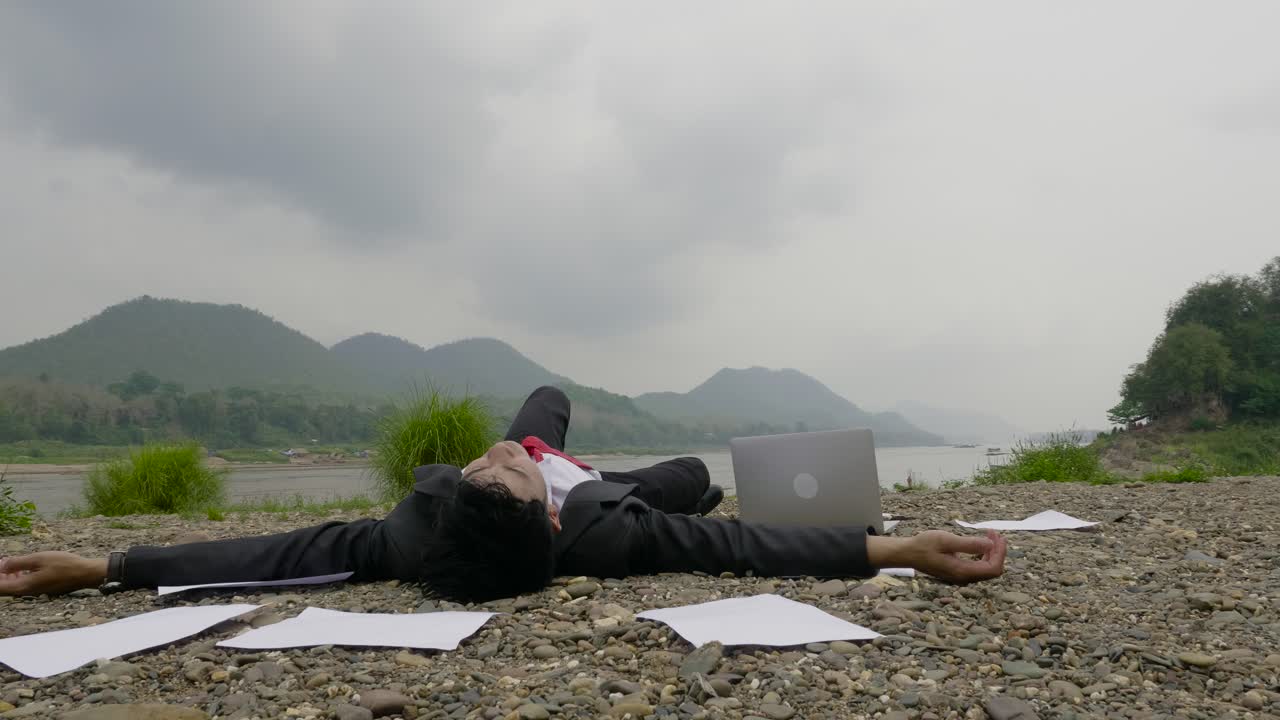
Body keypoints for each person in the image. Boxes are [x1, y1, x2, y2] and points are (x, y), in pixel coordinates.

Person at [0, 386, 1006, 601]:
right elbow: (744, 551)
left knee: (541, 403)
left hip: (567, 478)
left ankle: (549, 426)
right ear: (542, 510)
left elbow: (275, 554)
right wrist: (898, 547)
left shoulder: (413, 532)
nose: (488, 454)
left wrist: (104, 564)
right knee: (693, 488)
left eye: (489, 463)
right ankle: (611, 461)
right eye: (507, 469)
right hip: (610, 491)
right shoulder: (611, 537)